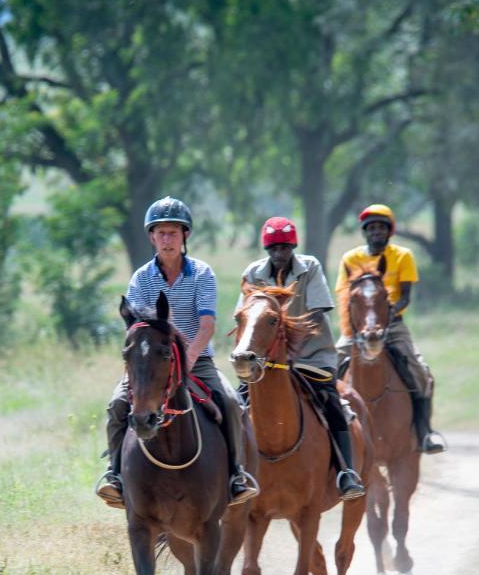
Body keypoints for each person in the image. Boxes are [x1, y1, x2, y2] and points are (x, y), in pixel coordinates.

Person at [96, 195, 260, 509]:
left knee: (230, 402)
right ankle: (115, 475)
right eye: (161, 233)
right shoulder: (140, 279)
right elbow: (134, 330)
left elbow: (207, 326)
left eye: (173, 232)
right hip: (152, 366)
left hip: (197, 361)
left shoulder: (202, 273)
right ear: (151, 237)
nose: (167, 239)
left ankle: (236, 475)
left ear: (185, 235)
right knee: (117, 404)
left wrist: (186, 361)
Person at [238, 216, 366, 501]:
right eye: (274, 248)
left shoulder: (310, 267)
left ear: (293, 246)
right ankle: (235, 473)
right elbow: (246, 316)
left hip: (311, 356)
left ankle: (346, 471)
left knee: (331, 400)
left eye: (284, 247)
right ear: (266, 249)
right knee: (238, 404)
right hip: (265, 360)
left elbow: (318, 313)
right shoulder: (253, 273)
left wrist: (292, 351)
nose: (280, 254)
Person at [335, 204, 445, 454]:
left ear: (389, 231)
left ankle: (424, 431)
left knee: (420, 371)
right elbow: (344, 294)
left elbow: (406, 296)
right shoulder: (350, 259)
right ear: (365, 232)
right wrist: (362, 320)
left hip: (392, 325)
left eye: (381, 227)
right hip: (358, 327)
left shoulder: (403, 256)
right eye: (371, 228)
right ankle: (331, 432)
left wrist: (387, 315)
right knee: (327, 368)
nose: (376, 232)